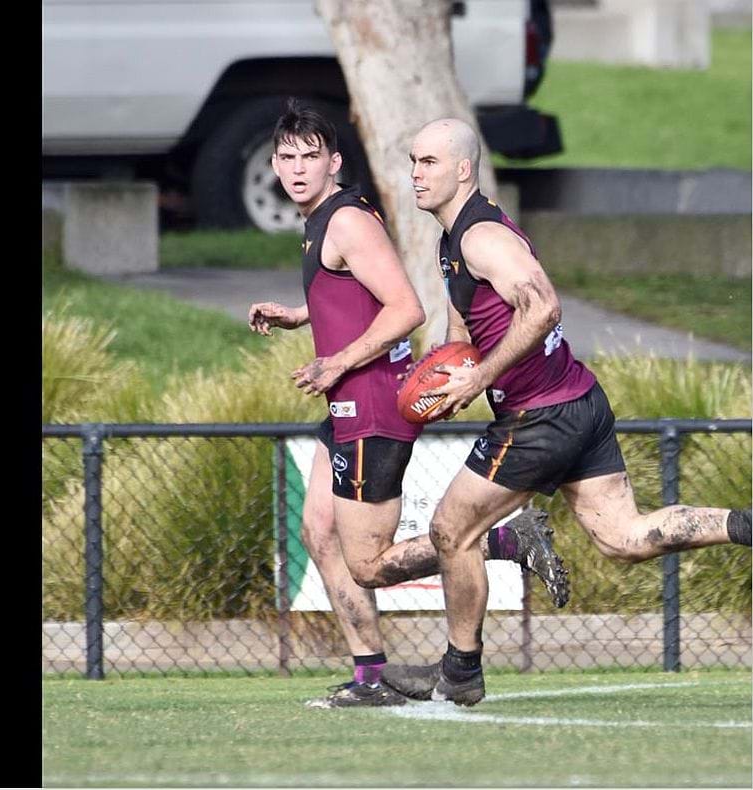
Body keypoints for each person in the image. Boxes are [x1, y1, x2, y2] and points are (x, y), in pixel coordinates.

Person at [383, 117, 753, 706]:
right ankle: (743, 525)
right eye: (412, 161)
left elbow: (545, 307)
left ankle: (459, 672)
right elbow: (464, 329)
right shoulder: (452, 241)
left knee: (451, 530)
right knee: (623, 538)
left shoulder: (481, 237)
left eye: (427, 163)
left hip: (538, 418)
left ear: (462, 169)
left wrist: (481, 376)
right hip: (579, 403)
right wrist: (445, 375)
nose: (415, 174)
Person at [247, 100, 570, 709]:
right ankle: (370, 676)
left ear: (334, 162)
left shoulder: (345, 220)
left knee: (365, 564)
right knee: (320, 532)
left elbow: (406, 309)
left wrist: (336, 362)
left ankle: (503, 542)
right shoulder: (318, 220)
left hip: (369, 404)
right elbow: (356, 301)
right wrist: (299, 316)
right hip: (348, 399)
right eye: (286, 158)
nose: (296, 169)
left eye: (310, 157)